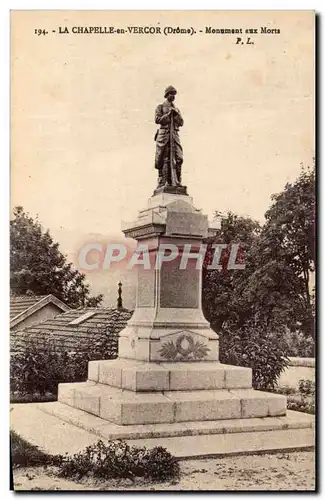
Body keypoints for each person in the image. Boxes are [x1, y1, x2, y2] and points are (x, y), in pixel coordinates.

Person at [154, 86, 184, 187]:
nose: (173, 96)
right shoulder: (160, 107)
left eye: (174, 94)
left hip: (174, 135)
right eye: (171, 94)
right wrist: (168, 115)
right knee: (164, 158)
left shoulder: (176, 109)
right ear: (167, 95)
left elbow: (181, 123)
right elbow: (157, 120)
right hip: (164, 135)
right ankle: (164, 182)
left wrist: (176, 115)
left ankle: (177, 181)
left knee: (179, 158)